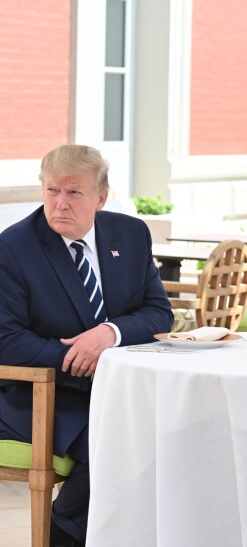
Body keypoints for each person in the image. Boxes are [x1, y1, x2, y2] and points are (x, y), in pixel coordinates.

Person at [0, 145, 173, 546]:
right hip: (42, 394)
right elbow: (7, 341)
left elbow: (158, 313)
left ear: (101, 197)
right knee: (118, 441)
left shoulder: (129, 234)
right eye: (51, 190)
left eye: (74, 192)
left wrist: (108, 334)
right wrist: (83, 360)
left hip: (122, 389)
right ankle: (63, 535)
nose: (60, 203)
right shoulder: (13, 248)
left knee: (183, 431)